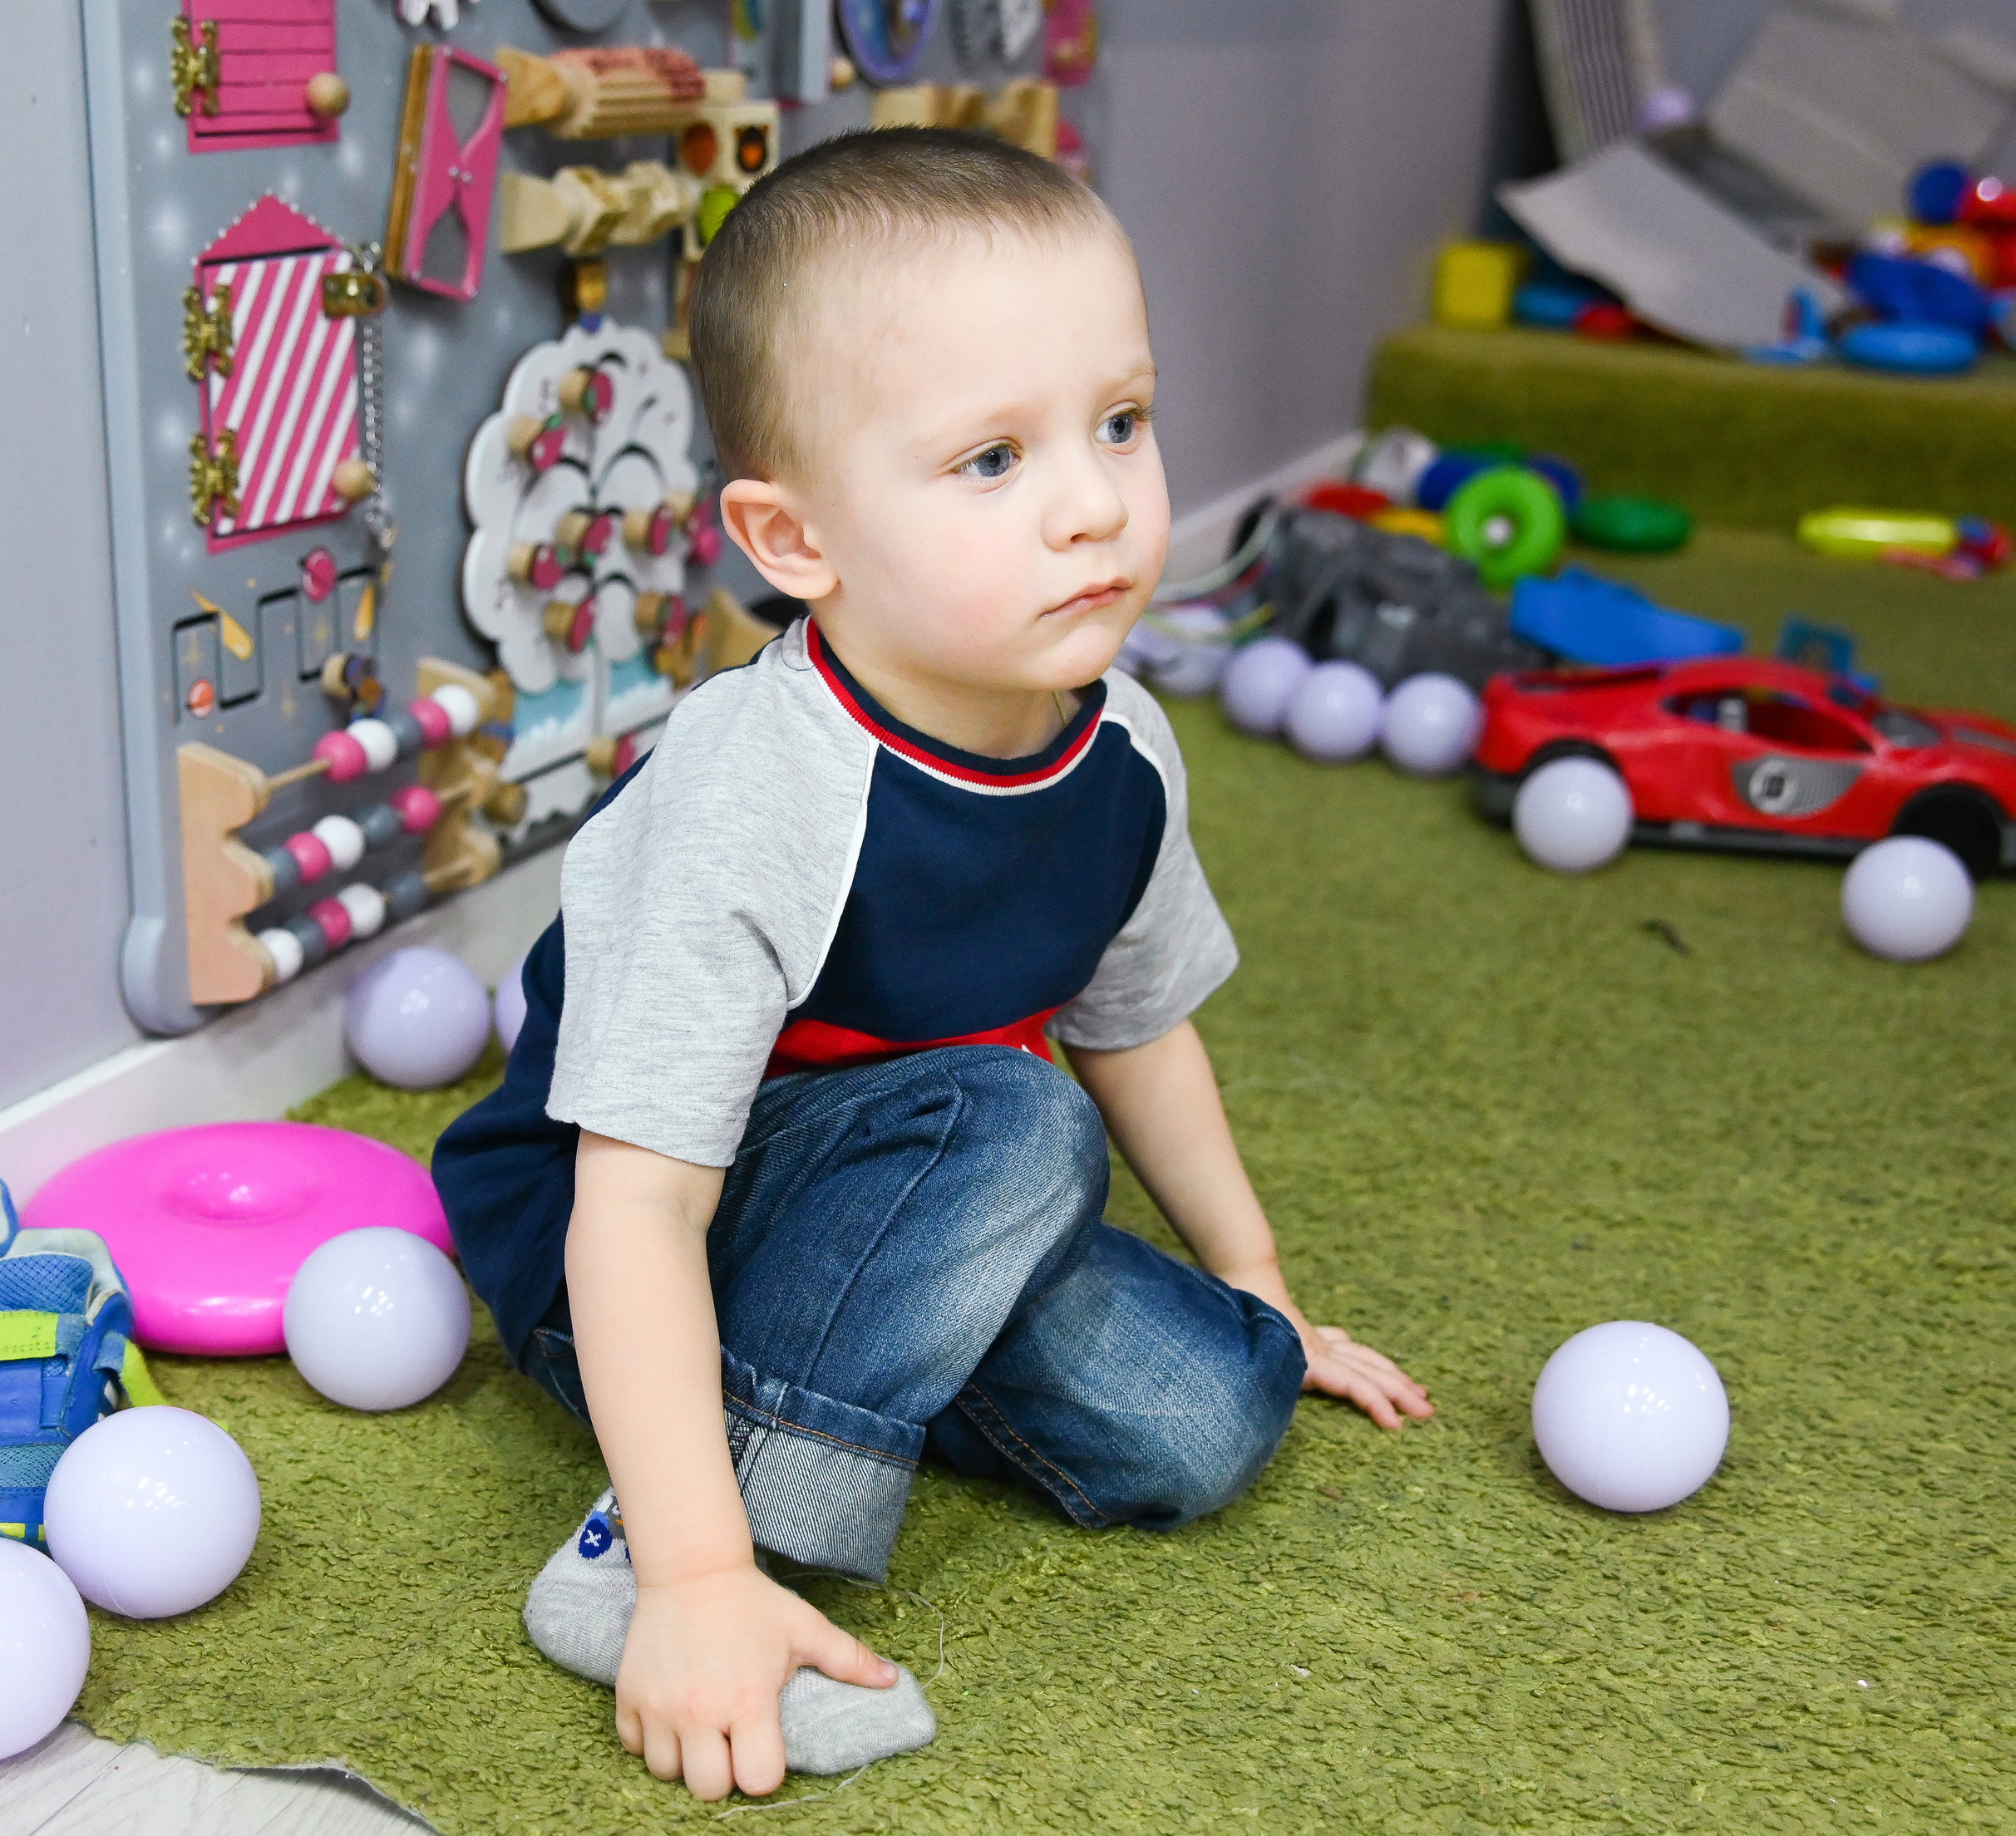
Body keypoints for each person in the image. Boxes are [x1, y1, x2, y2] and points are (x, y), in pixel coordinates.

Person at [432, 127, 1432, 1805]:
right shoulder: (761, 790)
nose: (1093, 501)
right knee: (1017, 1124)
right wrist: (694, 1575)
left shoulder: (1118, 749)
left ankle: (841, 1385)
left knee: (1204, 1419)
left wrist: (1256, 1280)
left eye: (1119, 421)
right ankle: (668, 1537)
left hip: (907, 1194)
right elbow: (633, 1202)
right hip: (632, 1226)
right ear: (796, 540)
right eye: (990, 460)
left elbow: (1139, 1027)